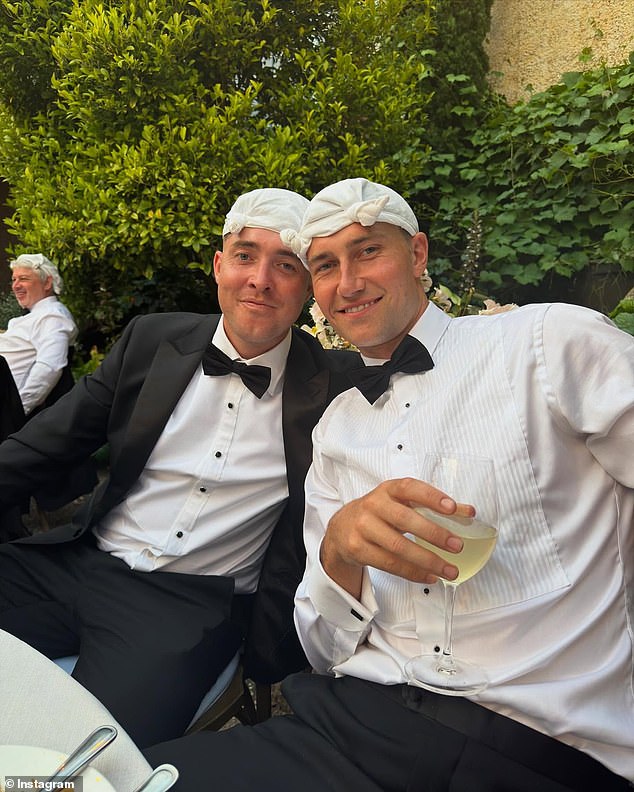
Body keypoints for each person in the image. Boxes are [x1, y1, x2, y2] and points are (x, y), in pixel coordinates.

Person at [145, 178, 634, 791]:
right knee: (123, 782)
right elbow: (323, 649)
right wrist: (337, 551)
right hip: (353, 727)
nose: (347, 283)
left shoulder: (544, 346)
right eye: (325, 265)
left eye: (368, 251)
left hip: (541, 746)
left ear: (419, 255)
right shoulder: (337, 430)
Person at [0, 187, 358, 747]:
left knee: (93, 755)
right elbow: (42, 446)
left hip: (185, 606)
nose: (260, 279)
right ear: (219, 265)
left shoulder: (339, 383)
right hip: (79, 561)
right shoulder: (151, 339)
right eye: (245, 256)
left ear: (309, 284)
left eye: (286, 265)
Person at [1, 253, 78, 415]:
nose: (16, 286)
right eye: (14, 280)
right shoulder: (35, 317)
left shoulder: (52, 316)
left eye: (23, 279)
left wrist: (17, 410)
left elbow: (49, 367)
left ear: (47, 282)